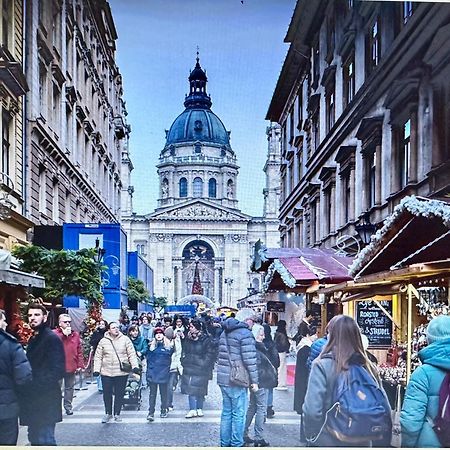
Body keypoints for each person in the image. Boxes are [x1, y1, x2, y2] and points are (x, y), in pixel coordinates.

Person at [302, 315, 390, 447]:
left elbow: (312, 411)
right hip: (363, 439)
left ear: (331, 335)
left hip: (328, 439)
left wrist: (312, 435)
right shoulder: (368, 366)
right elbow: (384, 405)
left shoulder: (322, 365)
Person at [19, 303, 65, 446]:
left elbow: (57, 370)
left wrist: (34, 384)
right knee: (35, 438)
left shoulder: (51, 338)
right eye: (30, 315)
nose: (32, 318)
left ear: (45, 317)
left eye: (37, 315)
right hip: (35, 399)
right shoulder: (35, 337)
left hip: (45, 399)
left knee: (45, 439)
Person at [401, 314, 450, 447]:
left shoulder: (422, 374)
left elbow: (410, 421)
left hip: (431, 443)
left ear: (429, 340)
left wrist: (407, 445)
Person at [217, 314, 259, 447]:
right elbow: (250, 360)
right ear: (247, 320)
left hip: (223, 377)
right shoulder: (245, 334)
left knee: (226, 413)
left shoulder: (224, 332)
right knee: (239, 414)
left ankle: (225, 443)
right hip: (237, 379)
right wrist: (255, 381)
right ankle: (236, 443)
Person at [93, 321, 139, 423]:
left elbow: (131, 353)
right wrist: (96, 369)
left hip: (121, 372)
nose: (116, 329)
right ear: (109, 330)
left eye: (117, 327)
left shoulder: (125, 340)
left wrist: (135, 366)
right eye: (113, 328)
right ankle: (108, 413)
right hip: (106, 372)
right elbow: (98, 356)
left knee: (119, 393)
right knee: (107, 394)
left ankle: (117, 414)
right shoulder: (103, 341)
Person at [0, 309, 32, 445]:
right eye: (3, 320)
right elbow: (24, 377)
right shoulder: (10, 345)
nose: (6, 323)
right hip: (6, 408)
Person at [244, 324, 277, 447]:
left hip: (257, 382)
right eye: (261, 335)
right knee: (261, 409)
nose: (263, 337)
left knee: (253, 407)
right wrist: (256, 382)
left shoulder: (256, 347)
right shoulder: (257, 348)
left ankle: (244, 432)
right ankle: (259, 437)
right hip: (261, 382)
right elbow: (256, 368)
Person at [181, 319, 217, 418]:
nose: (190, 328)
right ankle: (192, 409)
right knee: (191, 388)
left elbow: (210, 353)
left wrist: (204, 363)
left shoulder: (206, 339)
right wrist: (184, 360)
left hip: (201, 367)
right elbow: (184, 350)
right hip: (190, 366)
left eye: (192, 326)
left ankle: (199, 408)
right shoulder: (187, 338)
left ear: (197, 328)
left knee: (200, 388)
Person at [53, 313, 84, 415]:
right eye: (65, 322)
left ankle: (68, 406)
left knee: (69, 388)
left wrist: (80, 364)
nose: (68, 324)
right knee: (56, 388)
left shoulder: (75, 335)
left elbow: (79, 350)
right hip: (57, 367)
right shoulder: (54, 334)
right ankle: (55, 408)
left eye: (69, 322)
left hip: (71, 365)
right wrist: (63, 335)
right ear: (60, 323)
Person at [294, 329, 317, 444]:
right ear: (308, 335)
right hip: (305, 382)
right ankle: (306, 435)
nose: (316, 336)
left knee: (304, 409)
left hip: (301, 383)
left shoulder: (302, 347)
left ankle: (304, 435)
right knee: (307, 409)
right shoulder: (308, 349)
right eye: (315, 334)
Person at [146, 327, 173, 422]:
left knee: (163, 394)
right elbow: (148, 360)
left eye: (160, 333)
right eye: (157, 333)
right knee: (152, 394)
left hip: (164, 373)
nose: (158, 335)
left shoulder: (168, 347)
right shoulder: (150, 347)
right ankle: (151, 412)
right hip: (153, 373)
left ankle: (163, 409)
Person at [262, 323, 279, 418]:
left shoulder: (258, 343)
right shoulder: (272, 344)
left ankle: (262, 409)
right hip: (270, 371)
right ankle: (269, 408)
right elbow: (276, 359)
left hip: (261, 371)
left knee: (262, 390)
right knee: (270, 390)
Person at [166, 326, 183, 411]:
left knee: (169, 386)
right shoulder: (162, 342)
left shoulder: (177, 342)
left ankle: (168, 404)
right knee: (167, 386)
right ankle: (167, 404)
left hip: (172, 367)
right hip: (166, 367)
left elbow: (178, 355)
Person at [90, 319, 108, 392]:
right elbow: (91, 342)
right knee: (98, 369)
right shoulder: (96, 333)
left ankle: (105, 385)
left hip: (106, 353)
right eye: (100, 324)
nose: (101, 325)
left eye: (103, 324)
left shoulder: (107, 333)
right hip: (97, 353)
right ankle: (100, 387)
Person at [274, 319, 290, 390]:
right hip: (282, 352)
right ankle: (281, 383)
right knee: (282, 368)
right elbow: (284, 344)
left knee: (279, 367)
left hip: (277, 352)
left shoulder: (277, 333)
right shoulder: (282, 335)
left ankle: (279, 382)